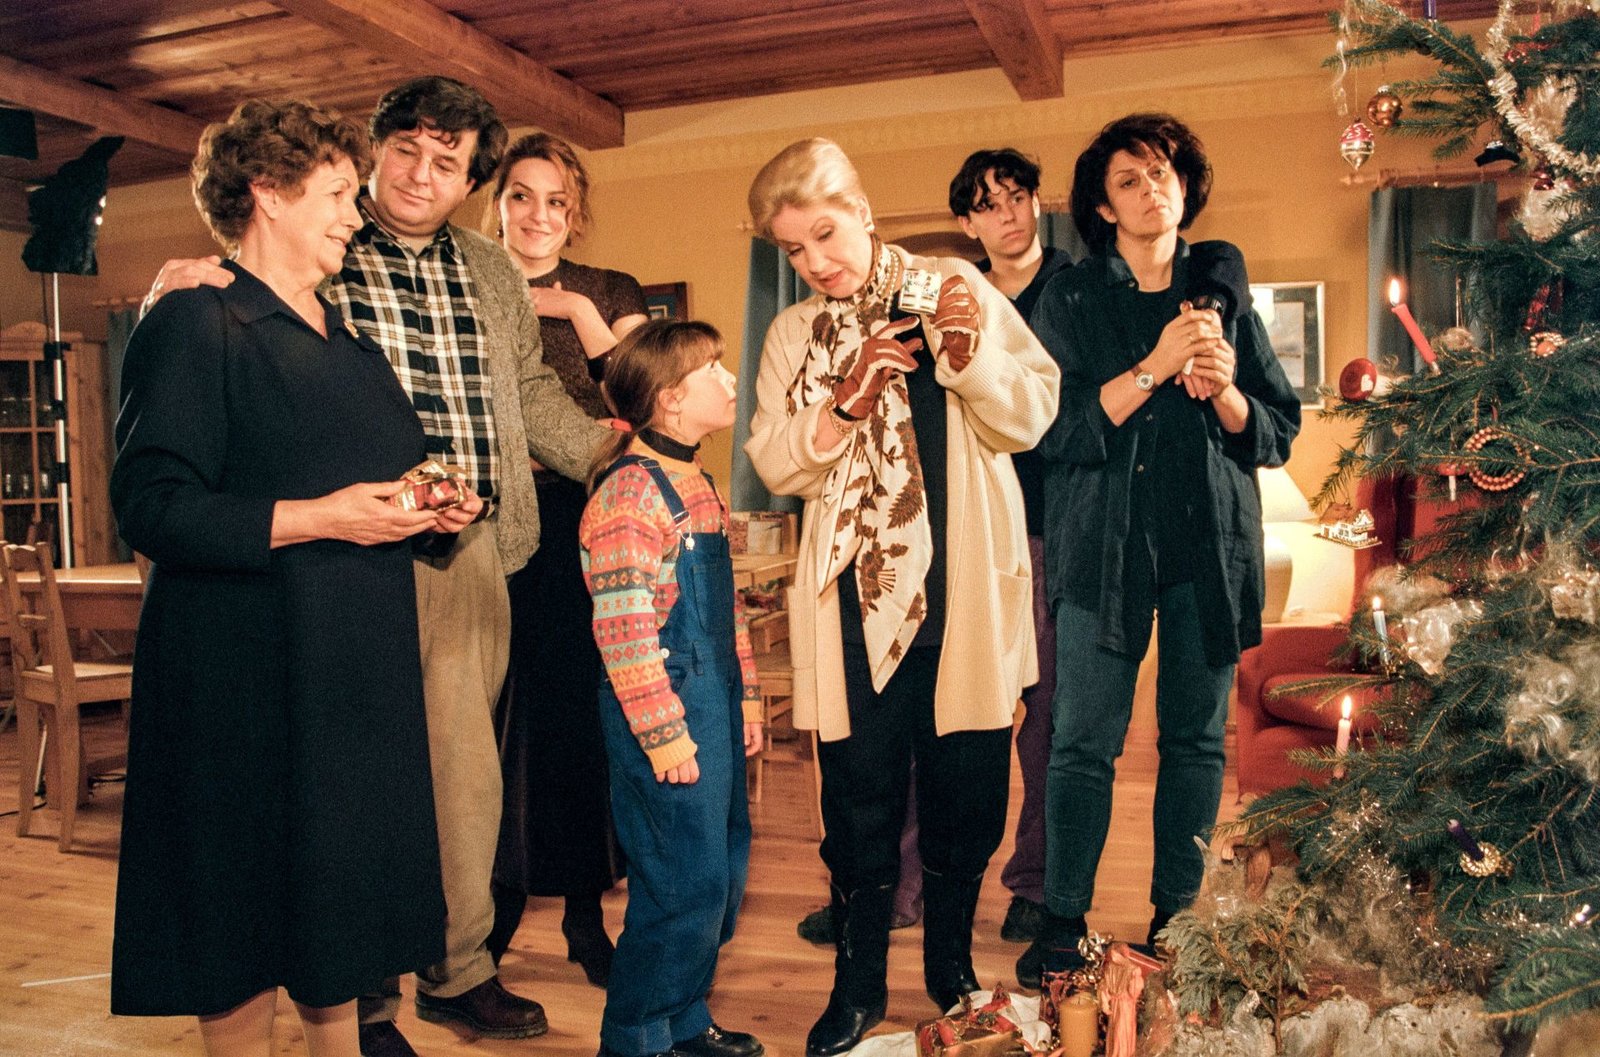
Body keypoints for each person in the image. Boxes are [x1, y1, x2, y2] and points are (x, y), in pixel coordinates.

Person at [141, 77, 612, 1057]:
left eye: (448, 162)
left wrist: (613, 456)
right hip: (324, 563)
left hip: (465, 545)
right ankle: (362, 999)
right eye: (406, 150)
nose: (420, 176)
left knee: (460, 782)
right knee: (349, 790)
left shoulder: (489, 269)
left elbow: (530, 390)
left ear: (467, 182)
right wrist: (185, 281)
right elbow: (221, 363)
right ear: (372, 150)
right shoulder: (315, 254)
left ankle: (456, 970)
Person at [109, 98, 481, 1057]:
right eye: (338, 193)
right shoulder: (198, 318)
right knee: (237, 918)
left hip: (350, 680)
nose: (356, 214)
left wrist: (428, 509)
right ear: (267, 192)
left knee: (336, 914)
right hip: (240, 682)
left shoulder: (345, 340)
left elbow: (373, 486)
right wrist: (325, 517)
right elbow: (151, 507)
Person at [744, 138, 1059, 1057]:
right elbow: (772, 458)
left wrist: (964, 358)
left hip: (963, 598)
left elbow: (1032, 410)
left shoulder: (955, 287)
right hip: (851, 608)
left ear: (862, 209)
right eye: (795, 249)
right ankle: (858, 985)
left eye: (825, 234)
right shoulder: (794, 334)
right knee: (859, 807)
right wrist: (845, 400)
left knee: (968, 798)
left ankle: (951, 971)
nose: (815, 262)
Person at [1019, 113, 1300, 987]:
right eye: (1130, 180)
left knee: (1196, 743)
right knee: (1080, 742)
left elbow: (1278, 428)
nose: (1152, 190)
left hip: (1207, 551)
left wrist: (1224, 393)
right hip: (1100, 551)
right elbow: (1051, 430)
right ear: (1103, 208)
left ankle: (1176, 921)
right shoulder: (1071, 298)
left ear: (1186, 187)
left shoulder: (1223, 295)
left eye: (1163, 173)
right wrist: (1153, 366)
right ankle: (1062, 920)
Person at [485, 132, 648, 988]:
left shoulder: (609, 290)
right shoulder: (470, 279)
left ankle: (587, 918)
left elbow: (647, 400)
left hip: (591, 523)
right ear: (497, 201)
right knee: (499, 725)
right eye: (521, 194)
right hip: (493, 525)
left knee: (584, 722)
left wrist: (576, 312)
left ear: (575, 211)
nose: (537, 214)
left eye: (556, 200)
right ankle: (491, 912)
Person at [578, 319, 764, 1057]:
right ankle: (633, 1037)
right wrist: (664, 735)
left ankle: (682, 1020)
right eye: (711, 369)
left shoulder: (699, 484)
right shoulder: (629, 495)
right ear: (669, 398)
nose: (729, 378)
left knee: (717, 875)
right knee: (676, 884)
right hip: (665, 712)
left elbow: (729, 610)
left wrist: (746, 698)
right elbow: (623, 633)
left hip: (714, 704)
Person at [948, 147, 1076, 946]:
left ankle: (1036, 882)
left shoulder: (1080, 287)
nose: (1009, 214)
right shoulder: (953, 295)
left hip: (1056, 527)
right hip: (972, 529)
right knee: (953, 713)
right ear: (968, 222)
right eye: (990, 204)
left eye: (1018, 196)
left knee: (1049, 717)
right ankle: (912, 885)